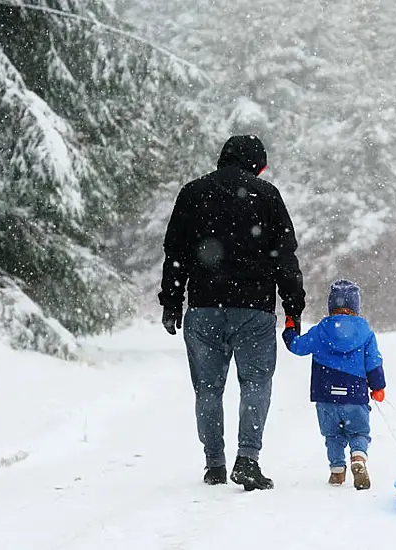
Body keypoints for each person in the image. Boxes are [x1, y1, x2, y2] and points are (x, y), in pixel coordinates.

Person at [158, 135, 306, 491]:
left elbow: (175, 252)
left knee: (208, 389)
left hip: (204, 307)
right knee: (255, 383)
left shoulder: (192, 193)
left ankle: (214, 464)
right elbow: (285, 257)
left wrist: (172, 302)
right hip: (254, 310)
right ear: (255, 163)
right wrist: (293, 307)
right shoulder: (267, 195)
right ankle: (247, 459)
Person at [281, 279, 385, 490]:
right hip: (355, 395)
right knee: (359, 432)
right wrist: (378, 386)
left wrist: (290, 329)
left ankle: (337, 472)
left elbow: (297, 347)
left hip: (325, 395)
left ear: (331, 306)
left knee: (333, 435)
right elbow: (373, 361)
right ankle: (358, 457)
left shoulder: (321, 330)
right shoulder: (365, 332)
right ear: (356, 306)